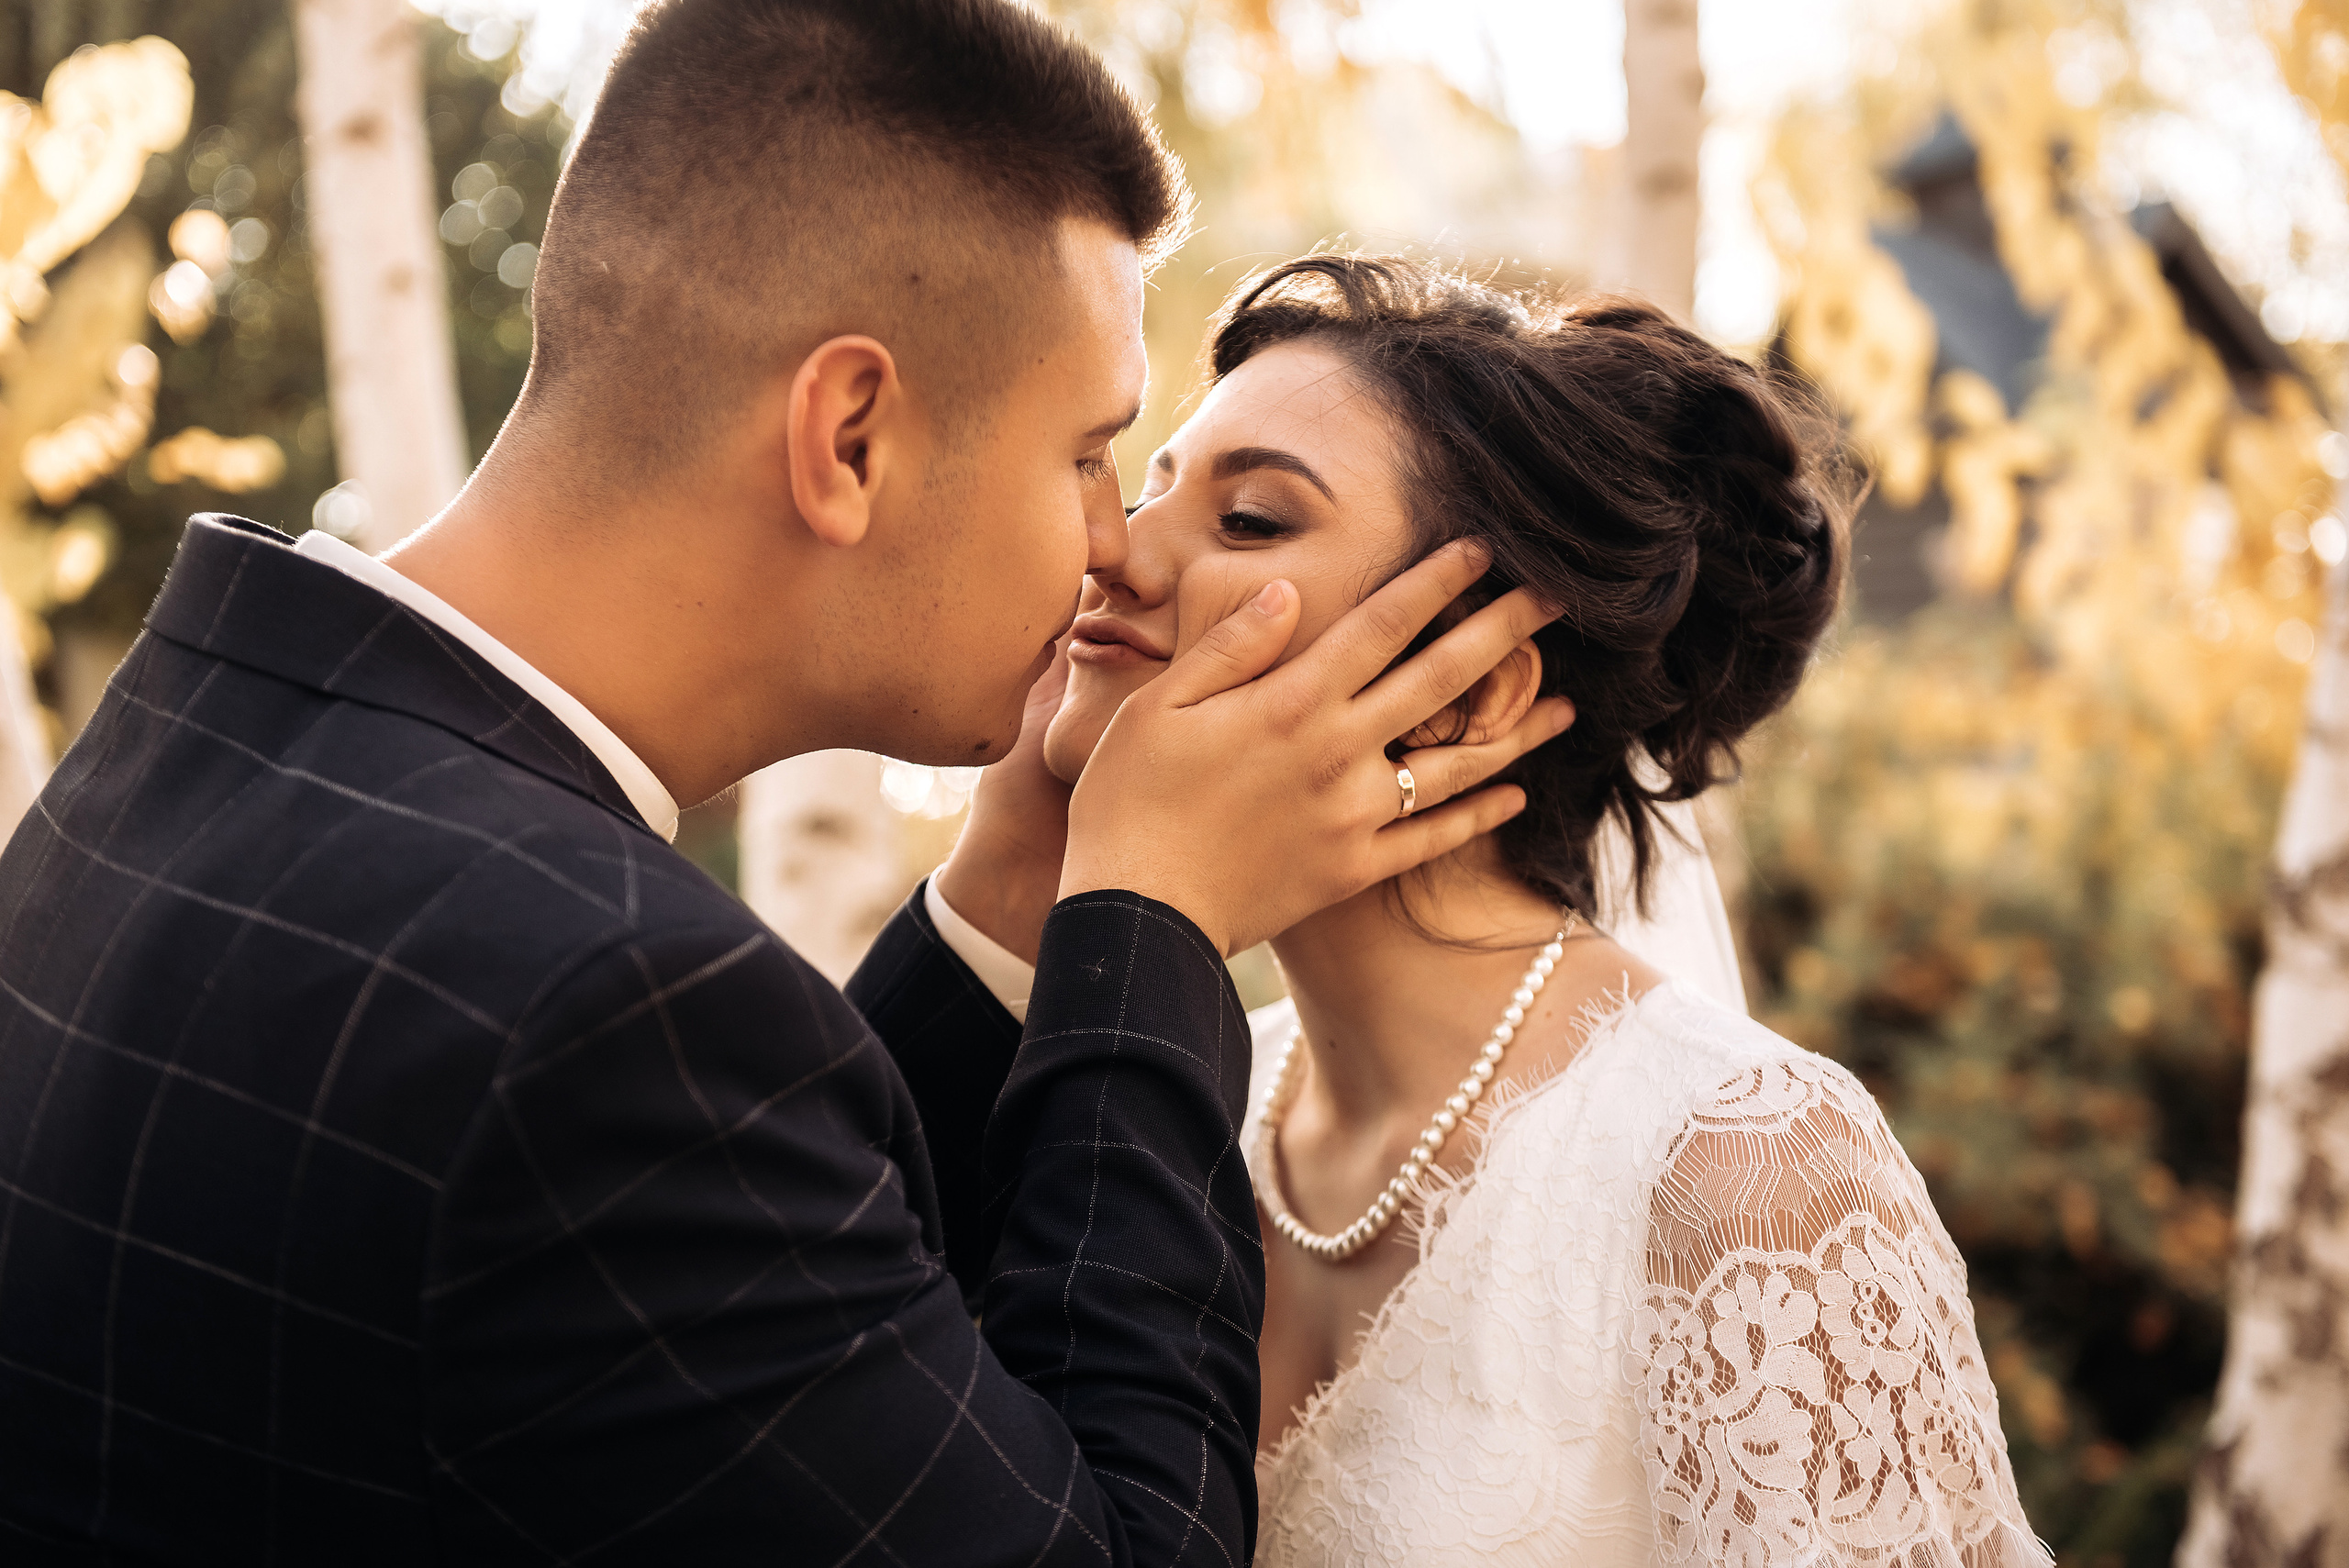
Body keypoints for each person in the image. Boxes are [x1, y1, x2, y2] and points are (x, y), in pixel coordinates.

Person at [0, 8, 1570, 1562]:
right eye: (1091, 451)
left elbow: (756, 1343)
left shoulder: (201, 731)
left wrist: (1013, 898)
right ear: (851, 433)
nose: (1113, 544)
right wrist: (1150, 920)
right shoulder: (604, 1011)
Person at [923, 256, 2053, 1566]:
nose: (1113, 547)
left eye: (1250, 523)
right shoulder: (1165, 1106)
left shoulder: (1748, 1171)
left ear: (1475, 695)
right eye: (1150, 484)